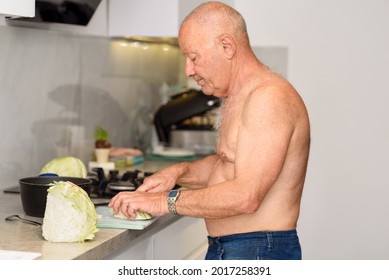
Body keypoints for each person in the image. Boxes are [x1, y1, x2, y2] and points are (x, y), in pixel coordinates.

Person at [109, 1, 310, 260]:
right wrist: (179, 172)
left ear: (226, 46)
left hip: (258, 250)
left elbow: (246, 196)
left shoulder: (268, 97)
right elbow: (231, 164)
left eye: (193, 57)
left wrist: (166, 201)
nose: (189, 70)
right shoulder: (244, 94)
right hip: (236, 247)